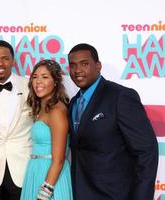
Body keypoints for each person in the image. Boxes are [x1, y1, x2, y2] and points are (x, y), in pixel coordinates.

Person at [68, 43, 159, 200]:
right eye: (73, 65)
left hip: (116, 195)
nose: (78, 71)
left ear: (98, 66)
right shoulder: (74, 103)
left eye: (84, 64)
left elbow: (146, 152)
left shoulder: (120, 97)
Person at [0, 40, 33, 200]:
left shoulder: (30, 86)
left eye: (5, 58)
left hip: (23, 166)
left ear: (13, 60)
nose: (0, 63)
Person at [20, 59, 73, 200]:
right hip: (36, 171)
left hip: (51, 175)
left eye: (45, 77)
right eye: (35, 77)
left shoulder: (57, 110)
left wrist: (45, 193)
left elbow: (59, 159)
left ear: (55, 82)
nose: (38, 82)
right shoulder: (42, 107)